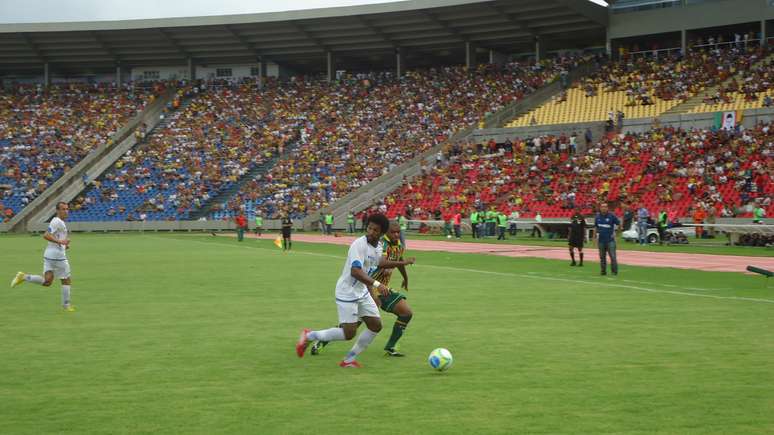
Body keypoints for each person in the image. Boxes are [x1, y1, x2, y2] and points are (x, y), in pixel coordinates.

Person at [296, 214, 413, 368]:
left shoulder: (378, 247)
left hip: (362, 291)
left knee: (375, 326)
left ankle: (349, 360)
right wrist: (378, 285)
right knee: (348, 333)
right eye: (369, 228)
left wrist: (374, 290)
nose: (371, 232)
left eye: (375, 230)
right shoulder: (359, 244)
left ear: (381, 232)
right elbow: (356, 272)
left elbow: (376, 265)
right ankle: (310, 335)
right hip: (348, 291)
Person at [11, 202, 76, 312]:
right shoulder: (57, 222)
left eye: (67, 209)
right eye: (63, 209)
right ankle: (66, 305)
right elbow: (46, 235)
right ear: (57, 210)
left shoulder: (59, 222)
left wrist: (64, 245)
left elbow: (56, 237)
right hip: (58, 257)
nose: (66, 211)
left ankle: (23, 277)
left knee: (47, 282)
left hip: (49, 255)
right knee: (66, 280)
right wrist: (60, 241)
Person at [595, 202, 620, 276]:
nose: (604, 208)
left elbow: (619, 224)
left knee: (612, 256)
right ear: (600, 208)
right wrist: (594, 238)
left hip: (610, 240)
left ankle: (614, 271)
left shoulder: (611, 216)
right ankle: (603, 271)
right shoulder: (597, 217)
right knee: (602, 257)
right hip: (601, 240)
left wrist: (617, 234)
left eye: (605, 207)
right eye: (602, 207)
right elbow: (596, 227)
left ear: (607, 208)